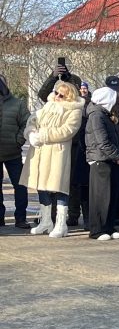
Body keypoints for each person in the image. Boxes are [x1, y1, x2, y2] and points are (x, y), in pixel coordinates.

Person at [20, 80, 84, 238]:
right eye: (56, 93)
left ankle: (61, 224)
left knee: (59, 187)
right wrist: (31, 133)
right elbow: (32, 120)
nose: (57, 96)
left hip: (57, 153)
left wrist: (44, 135)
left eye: (61, 95)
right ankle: (46, 220)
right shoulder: (47, 106)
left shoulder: (74, 110)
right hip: (40, 151)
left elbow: (68, 130)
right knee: (41, 186)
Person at [84, 87, 119, 240]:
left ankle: (108, 227)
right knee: (100, 197)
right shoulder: (96, 115)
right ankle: (97, 229)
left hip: (110, 159)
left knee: (111, 195)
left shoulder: (105, 115)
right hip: (100, 160)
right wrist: (117, 156)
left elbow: (116, 139)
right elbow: (102, 141)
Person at [0, 74, 31, 229]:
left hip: (13, 152)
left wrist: (18, 141)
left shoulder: (17, 104)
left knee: (20, 186)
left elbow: (27, 123)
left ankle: (21, 218)